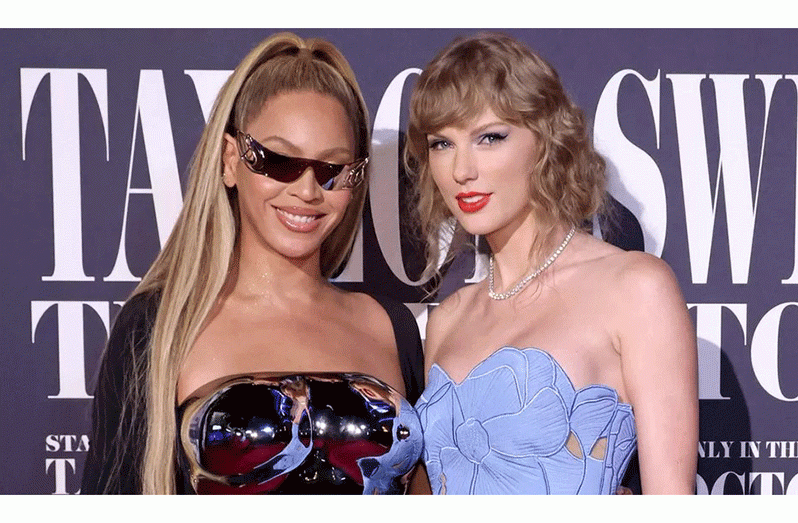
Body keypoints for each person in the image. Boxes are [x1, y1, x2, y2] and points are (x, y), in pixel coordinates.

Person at [81, 32, 424, 495]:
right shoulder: (160, 326)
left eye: (331, 169)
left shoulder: (390, 326)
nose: (306, 191)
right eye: (279, 162)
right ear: (230, 160)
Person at [405, 33, 697, 495]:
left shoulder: (635, 288)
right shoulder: (449, 318)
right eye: (442, 144)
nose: (461, 170)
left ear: (545, 140)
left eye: (489, 137)